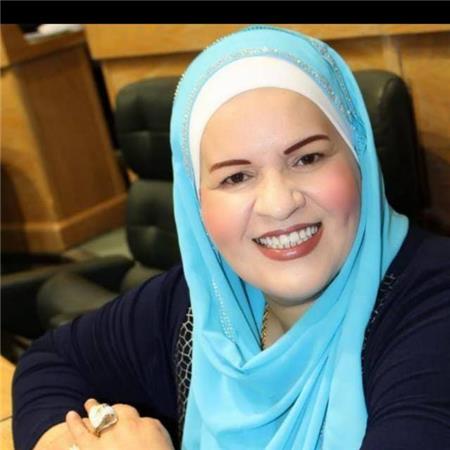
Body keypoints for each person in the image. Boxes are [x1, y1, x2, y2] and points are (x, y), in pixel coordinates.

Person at [12, 25, 450, 450]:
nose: (278, 204)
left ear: (359, 158)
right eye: (236, 176)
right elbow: (50, 361)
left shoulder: (433, 309)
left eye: (307, 158)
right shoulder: (206, 302)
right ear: (196, 204)